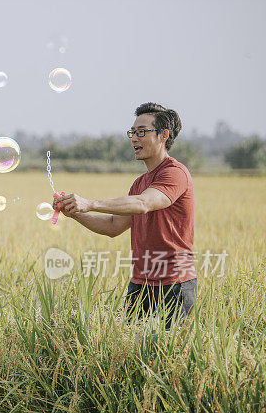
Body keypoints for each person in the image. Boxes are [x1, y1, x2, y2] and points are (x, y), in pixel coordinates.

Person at [54, 102, 197, 329]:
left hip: (174, 283)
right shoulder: (139, 183)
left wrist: (90, 203)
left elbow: (143, 204)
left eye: (142, 132)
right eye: (132, 132)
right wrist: (75, 213)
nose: (134, 139)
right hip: (140, 283)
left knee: (168, 354)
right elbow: (113, 226)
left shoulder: (175, 173)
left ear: (163, 135)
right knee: (131, 350)